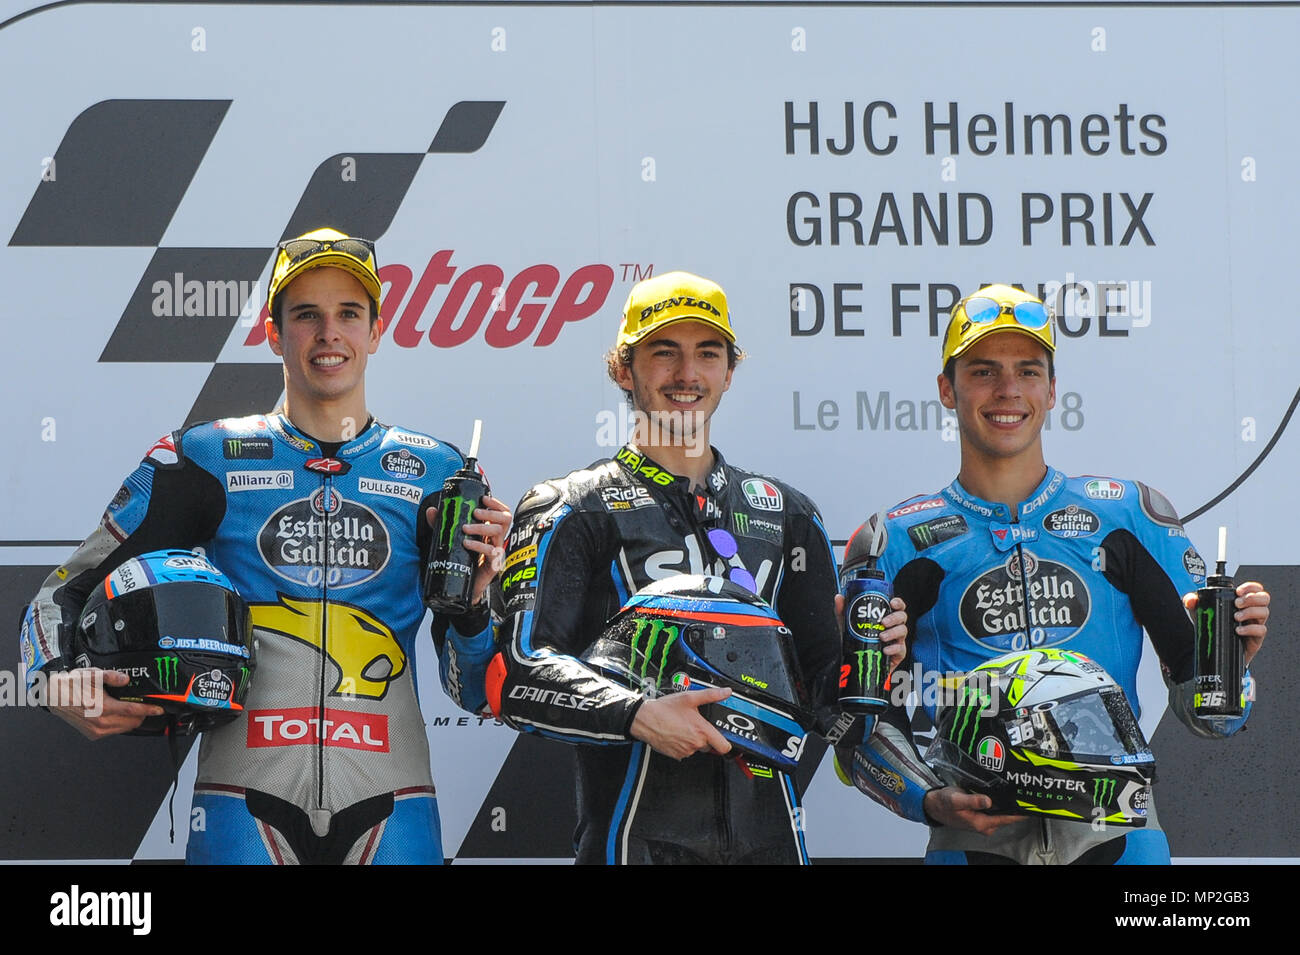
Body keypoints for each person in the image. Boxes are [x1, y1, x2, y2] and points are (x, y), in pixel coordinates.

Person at [18, 228, 511, 864]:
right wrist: (58, 680)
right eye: (306, 315)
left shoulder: (440, 473)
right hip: (240, 797)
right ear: (274, 333)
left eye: (348, 314)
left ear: (377, 331)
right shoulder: (203, 457)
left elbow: (472, 689)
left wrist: (475, 608)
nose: (329, 333)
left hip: (395, 800)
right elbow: (62, 593)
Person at [837, 284, 1270, 865]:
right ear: (947, 389)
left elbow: (1215, 721)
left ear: (1052, 389)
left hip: (1118, 838)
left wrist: (1232, 667)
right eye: (984, 371)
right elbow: (851, 733)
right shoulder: (894, 543)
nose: (1008, 391)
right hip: (976, 841)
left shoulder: (1129, 516)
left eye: (1028, 371)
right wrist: (931, 799)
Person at [490, 270, 906, 864]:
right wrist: (638, 716)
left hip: (773, 845)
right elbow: (519, 675)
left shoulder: (786, 513)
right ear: (622, 369)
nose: (687, 375)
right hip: (634, 843)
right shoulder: (574, 506)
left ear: (729, 372)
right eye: (665, 352)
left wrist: (872, 662)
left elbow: (830, 713)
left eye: (707, 353)